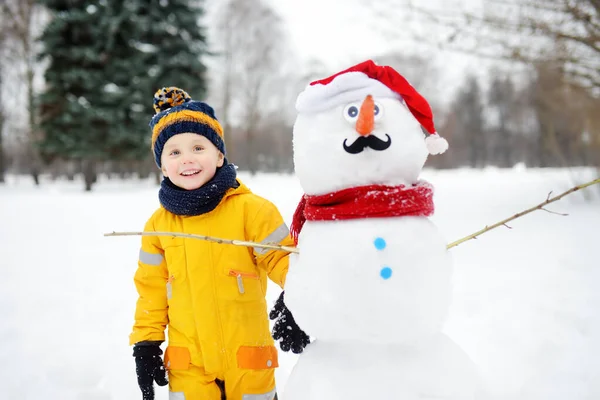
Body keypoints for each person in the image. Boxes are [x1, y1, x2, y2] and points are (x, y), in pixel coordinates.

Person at [130, 87, 297, 400]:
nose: (187, 159)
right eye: (174, 152)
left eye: (198, 147)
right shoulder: (158, 226)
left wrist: (301, 298)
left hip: (248, 362)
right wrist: (146, 343)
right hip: (188, 364)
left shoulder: (253, 210)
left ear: (219, 155)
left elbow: (283, 261)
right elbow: (150, 292)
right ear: (162, 166)